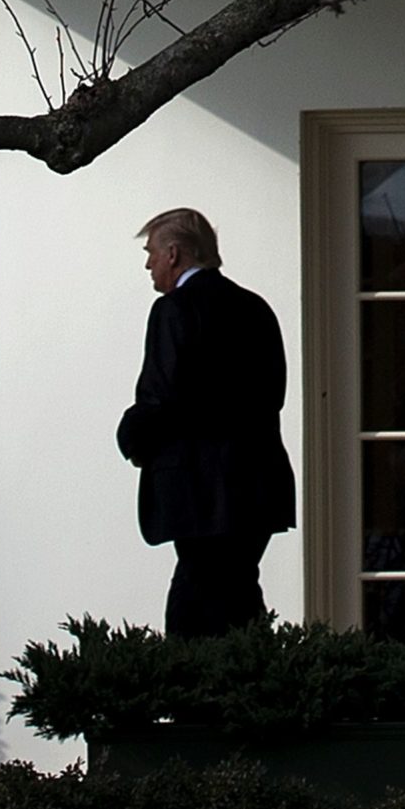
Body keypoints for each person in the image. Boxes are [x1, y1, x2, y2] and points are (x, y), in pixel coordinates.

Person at [115, 207, 296, 637]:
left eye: (152, 252)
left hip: (197, 491)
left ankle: (200, 699)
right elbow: (275, 395)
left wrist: (130, 436)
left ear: (174, 254)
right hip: (257, 486)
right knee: (239, 598)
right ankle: (256, 690)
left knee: (192, 613)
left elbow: (162, 397)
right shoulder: (255, 309)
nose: (148, 263)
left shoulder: (173, 311)